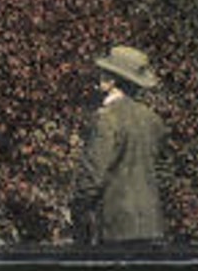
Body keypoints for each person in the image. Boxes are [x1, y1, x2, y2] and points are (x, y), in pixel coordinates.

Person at [69, 44, 169, 246]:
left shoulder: (107, 119)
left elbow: (92, 176)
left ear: (113, 80)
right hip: (153, 226)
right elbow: (161, 171)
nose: (100, 77)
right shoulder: (152, 119)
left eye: (104, 73)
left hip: (115, 228)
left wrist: (77, 211)